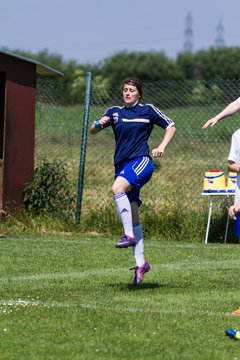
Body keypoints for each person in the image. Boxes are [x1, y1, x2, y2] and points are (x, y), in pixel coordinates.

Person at [90, 77, 176, 286]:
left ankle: (127, 234)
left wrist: (162, 146)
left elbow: (171, 126)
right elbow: (92, 131)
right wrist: (97, 124)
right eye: (125, 90)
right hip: (121, 166)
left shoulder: (147, 110)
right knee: (133, 214)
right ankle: (141, 264)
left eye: (131, 90)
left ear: (139, 93)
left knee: (116, 188)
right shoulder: (114, 112)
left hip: (141, 162)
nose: (127, 93)